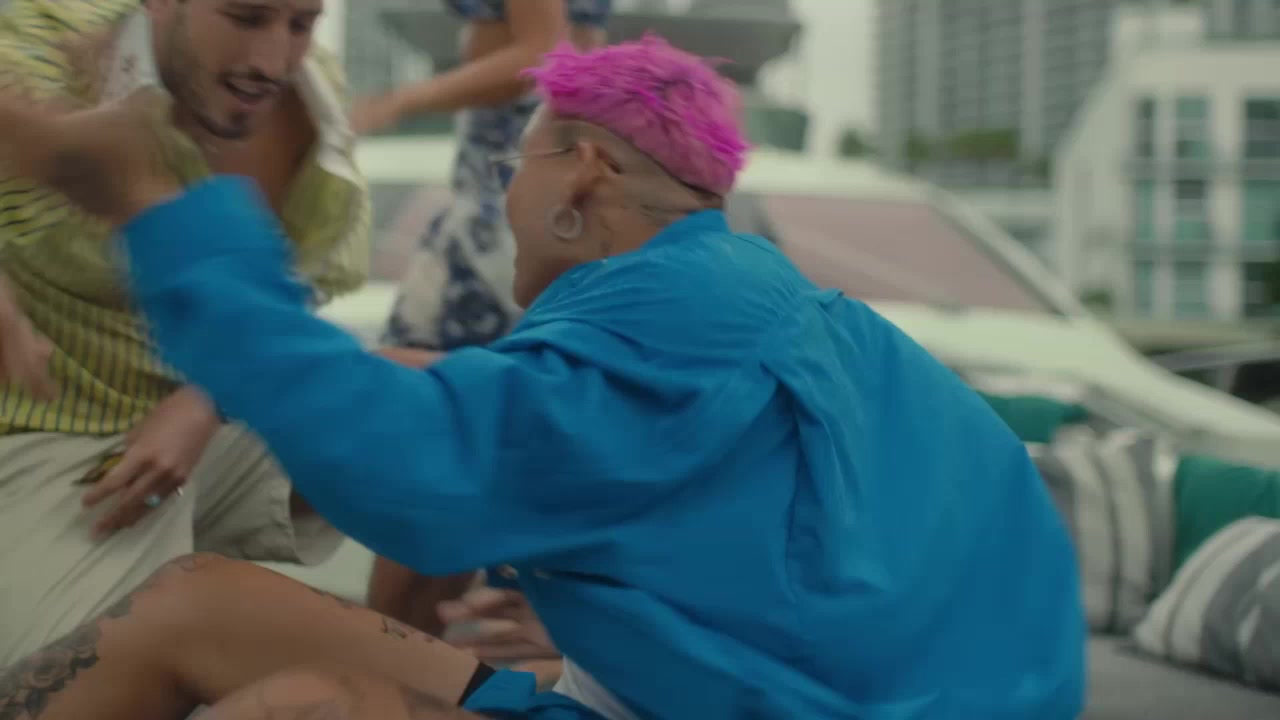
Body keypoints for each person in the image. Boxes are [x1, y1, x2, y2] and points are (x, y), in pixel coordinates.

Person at [0, 36, 1086, 720]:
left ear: (583, 173)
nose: (502, 196)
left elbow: (414, 470)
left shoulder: (675, 325)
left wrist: (151, 202)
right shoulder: (757, 310)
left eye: (512, 163)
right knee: (198, 604)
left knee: (303, 706)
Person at [0, 0, 371, 663]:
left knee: (456, 427)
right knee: (84, 678)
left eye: (301, 23)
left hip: (207, 429)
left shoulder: (313, 93)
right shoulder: (34, 45)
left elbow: (297, 283)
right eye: (245, 17)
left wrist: (205, 401)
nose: (272, 62)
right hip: (60, 440)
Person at [350, 0, 612, 637]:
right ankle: (406, 655)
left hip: (507, 200)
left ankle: (386, 658)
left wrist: (399, 101)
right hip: (520, 192)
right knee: (474, 457)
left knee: (434, 448)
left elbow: (541, 52)